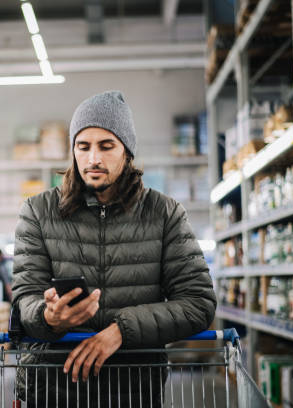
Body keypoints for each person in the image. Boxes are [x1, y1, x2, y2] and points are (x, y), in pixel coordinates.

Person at [11, 90, 217, 407]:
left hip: (133, 389)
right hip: (54, 387)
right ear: (73, 151)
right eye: (83, 146)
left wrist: (121, 330)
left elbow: (198, 302)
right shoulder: (38, 212)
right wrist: (49, 316)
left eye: (106, 146)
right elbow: (26, 297)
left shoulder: (164, 214)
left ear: (127, 151)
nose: (93, 158)